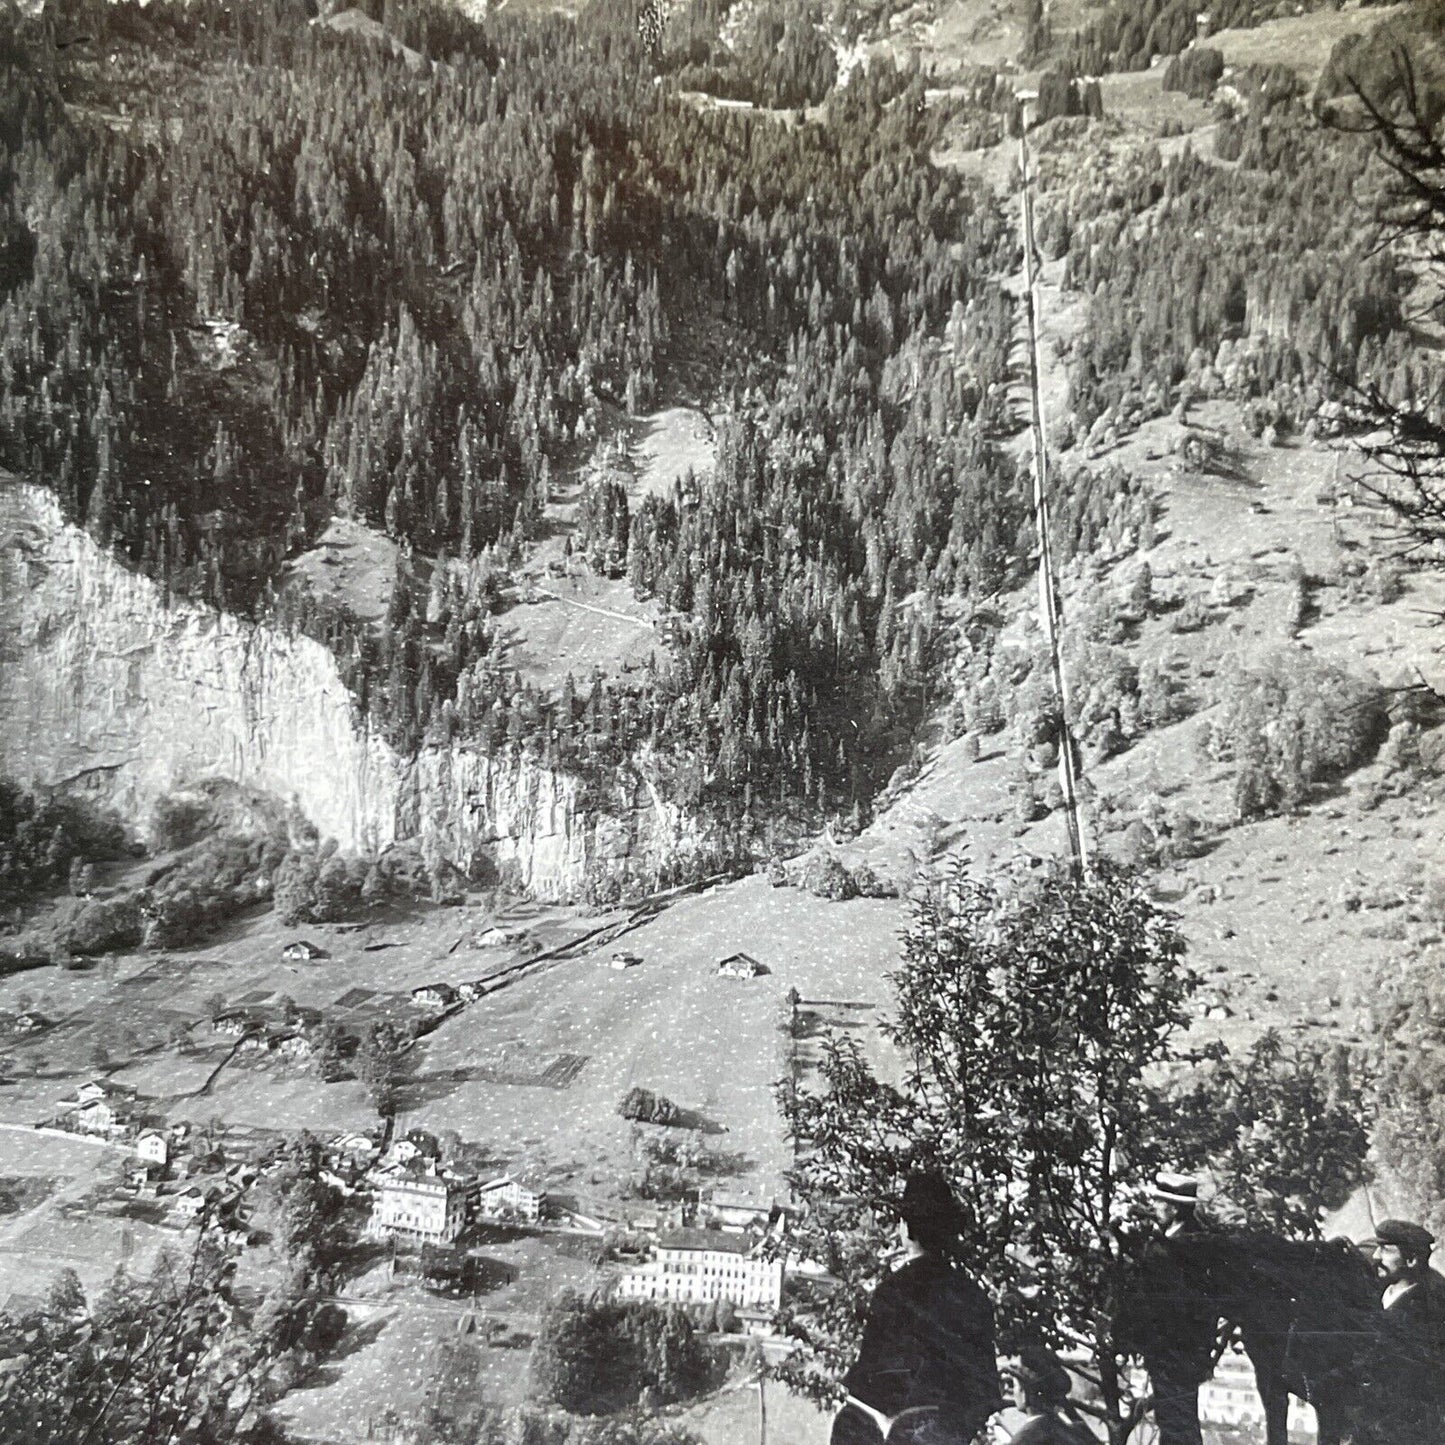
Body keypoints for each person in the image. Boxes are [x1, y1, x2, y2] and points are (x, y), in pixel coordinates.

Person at [832, 1170, 1003, 1445]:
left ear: (907, 1228)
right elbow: (984, 1392)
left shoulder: (893, 1291)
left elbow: (871, 1385)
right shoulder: (974, 1297)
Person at [1137, 1173, 1213, 1445]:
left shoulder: (1184, 1246)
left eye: (1159, 1203)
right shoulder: (1183, 1239)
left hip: (1176, 1353)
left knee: (1177, 1424)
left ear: (1174, 1208)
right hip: (1175, 1353)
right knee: (1174, 1422)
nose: (1154, 1209)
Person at [1365, 1218, 1445, 1440]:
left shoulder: (1430, 1311)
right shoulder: (1379, 1291)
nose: (1375, 1256)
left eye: (1385, 1250)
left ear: (1411, 1260)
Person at [1001, 1346, 1097, 1444]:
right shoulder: (1074, 1429)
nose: (1013, 1392)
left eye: (1015, 1385)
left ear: (1025, 1393)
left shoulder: (1025, 1439)